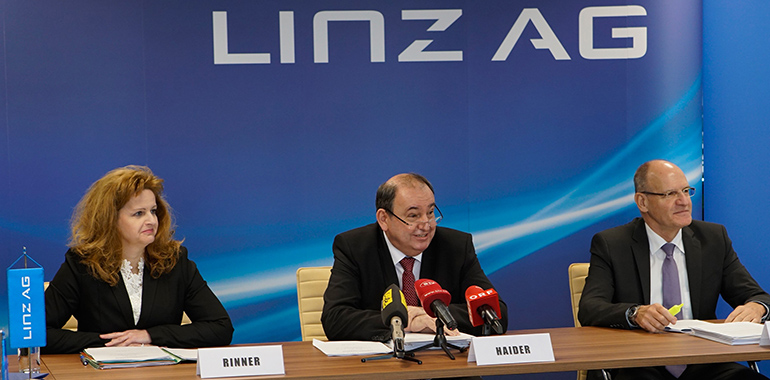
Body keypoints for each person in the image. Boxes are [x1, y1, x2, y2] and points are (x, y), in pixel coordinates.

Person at [579, 160, 770, 380]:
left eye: (686, 191)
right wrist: (635, 313)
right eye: (670, 194)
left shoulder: (713, 239)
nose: (684, 202)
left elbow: (758, 296)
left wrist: (757, 308)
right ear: (642, 201)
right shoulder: (612, 244)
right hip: (638, 362)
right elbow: (590, 308)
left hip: (701, 360)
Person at [44, 165, 234, 354]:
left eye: (153, 211)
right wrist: (110, 344)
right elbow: (38, 335)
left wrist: (150, 336)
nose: (151, 220)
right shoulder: (82, 264)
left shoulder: (175, 261)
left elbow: (220, 327)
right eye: (139, 213)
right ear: (110, 219)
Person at [321, 173, 508, 341]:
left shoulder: (456, 246)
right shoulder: (354, 248)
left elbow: (495, 314)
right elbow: (335, 318)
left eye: (430, 213)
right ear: (384, 219)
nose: (426, 225)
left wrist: (431, 316)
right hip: (381, 367)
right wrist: (404, 319)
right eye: (413, 215)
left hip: (446, 366)